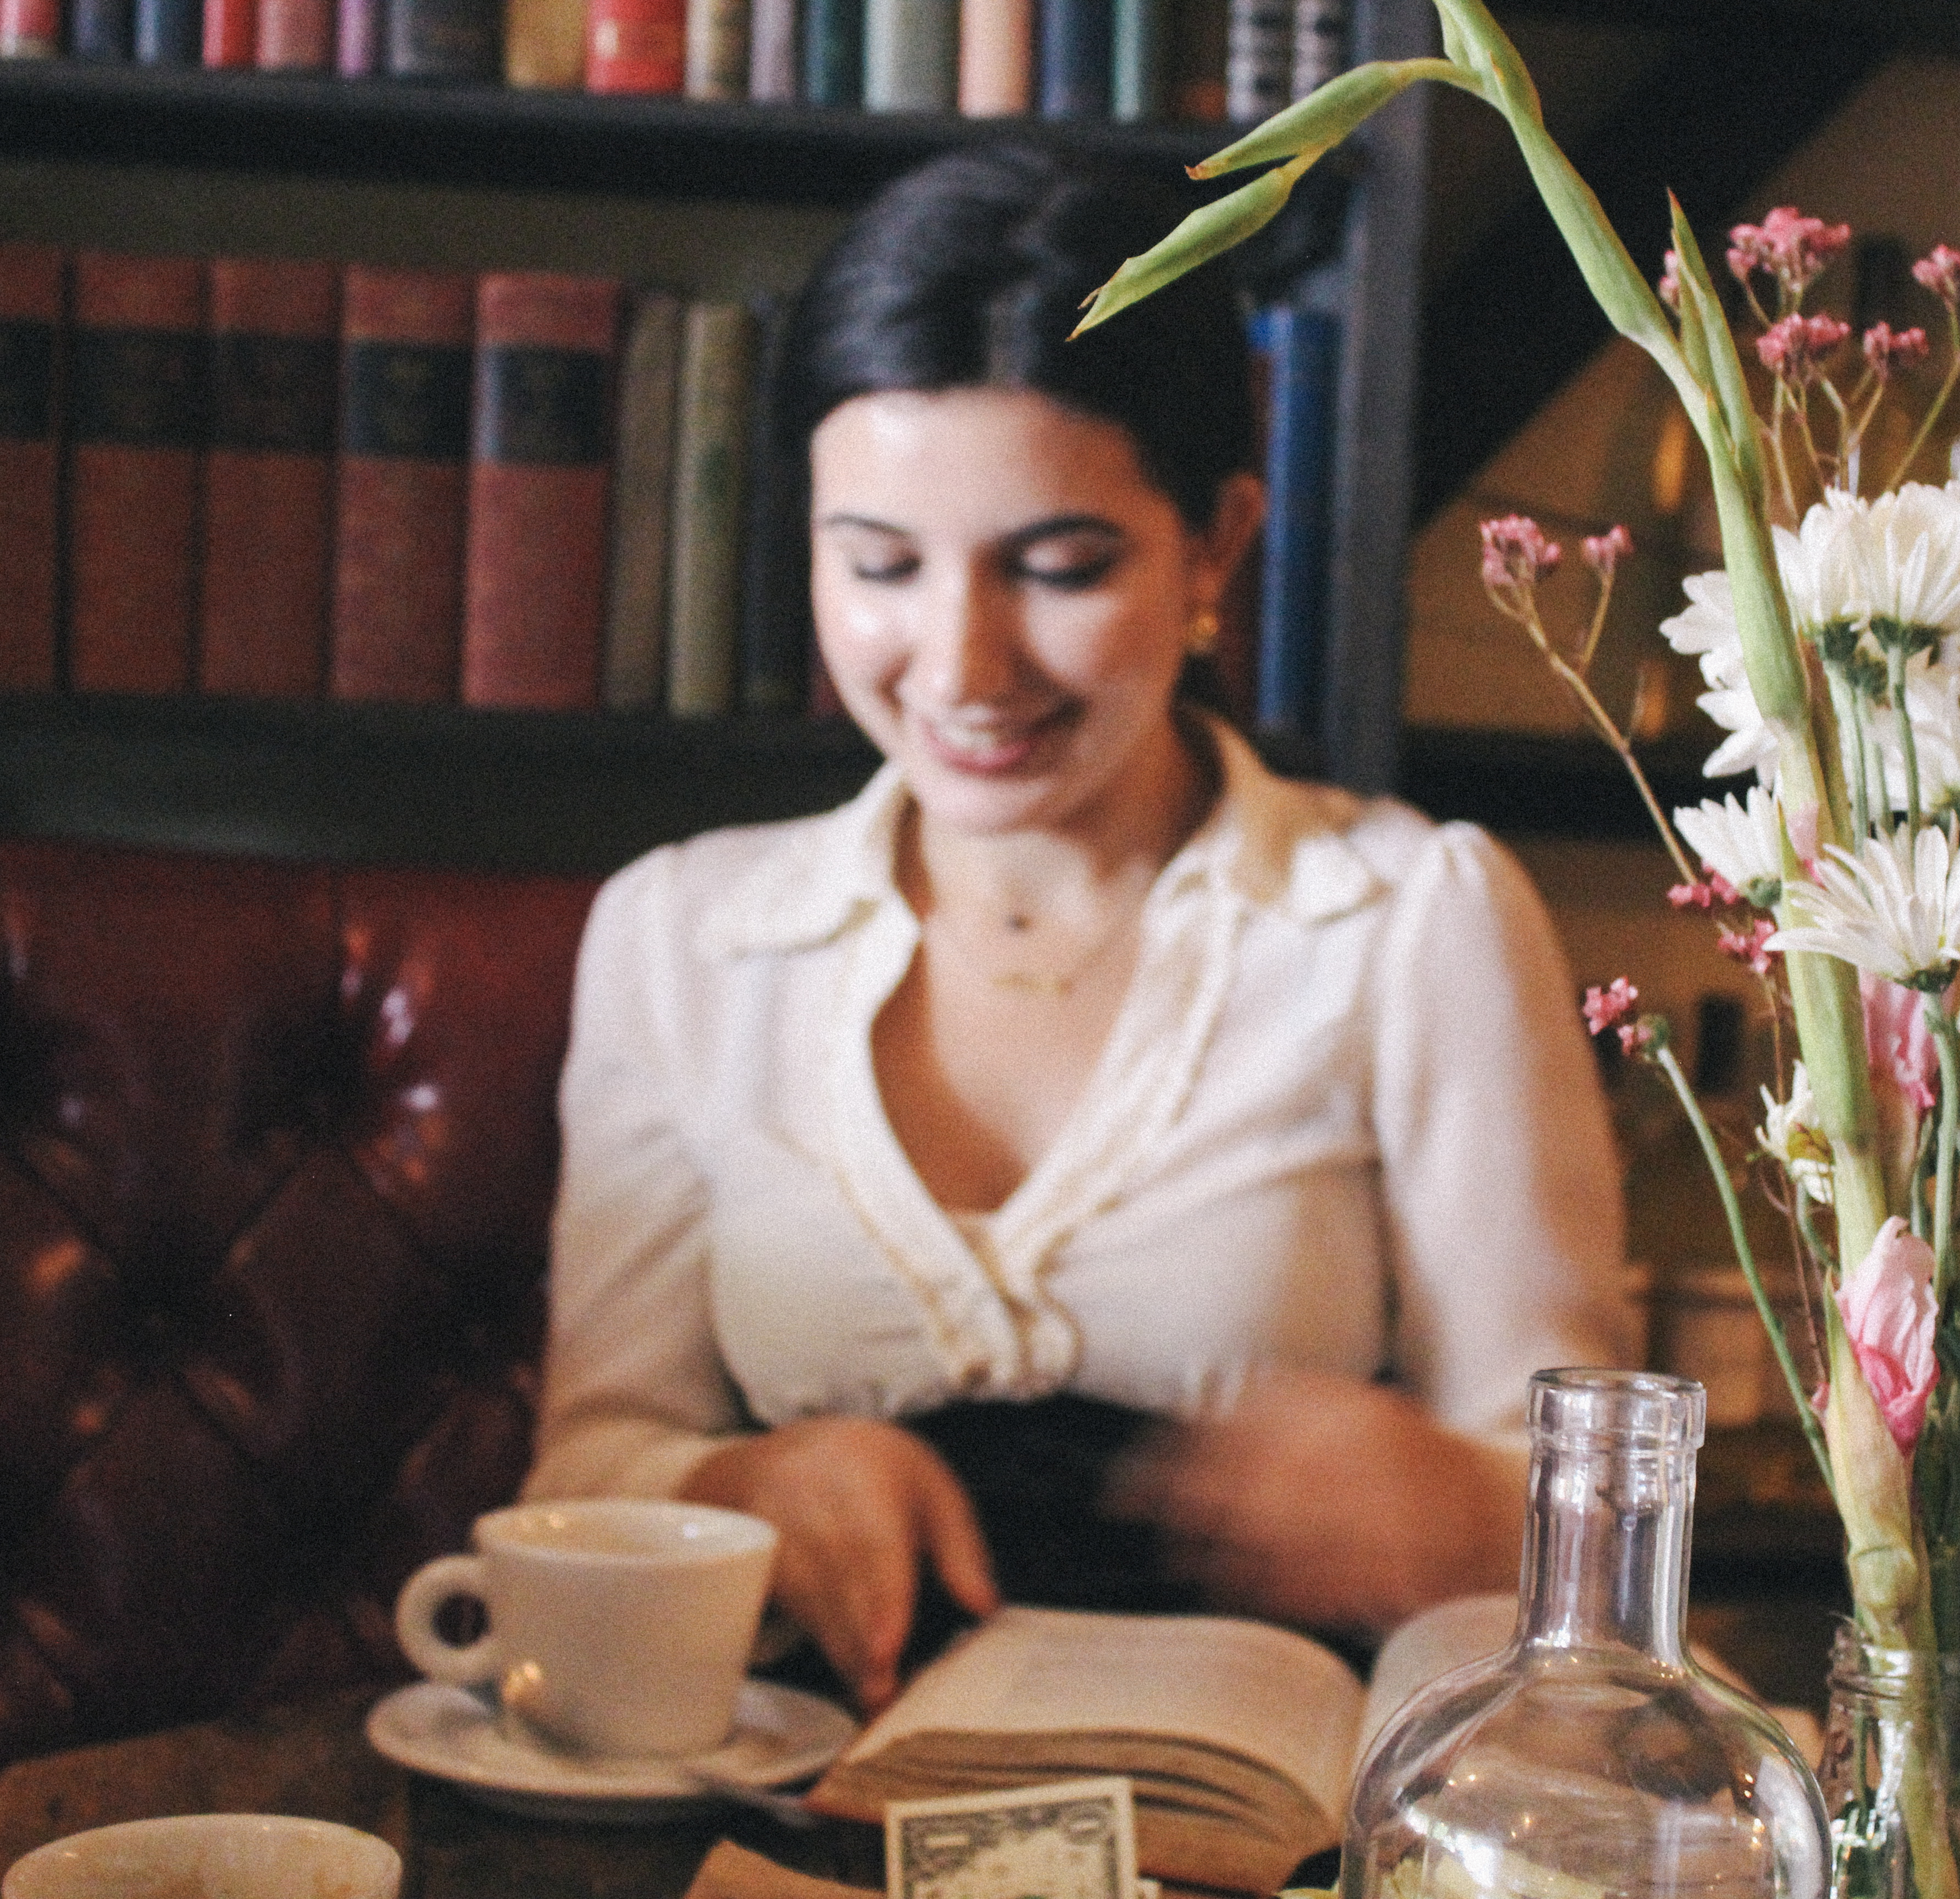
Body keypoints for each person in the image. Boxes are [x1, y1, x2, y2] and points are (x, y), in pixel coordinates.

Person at [525, 142, 1634, 1712]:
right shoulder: (680, 937)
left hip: (1266, 1826)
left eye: (1058, 567)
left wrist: (1442, 1503)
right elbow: (593, 1452)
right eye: (882, 568)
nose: (964, 664)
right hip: (792, 1816)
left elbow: (1584, 1504)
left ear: (1216, 547)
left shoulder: (1411, 918)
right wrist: (749, 1486)